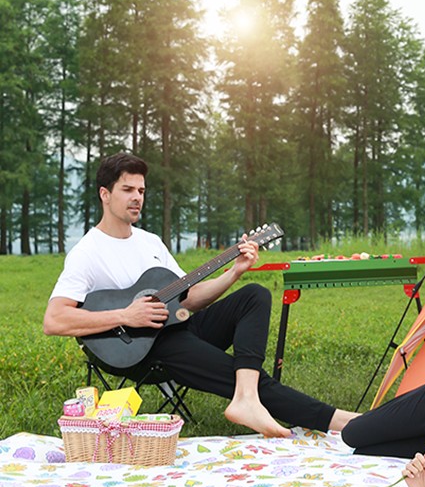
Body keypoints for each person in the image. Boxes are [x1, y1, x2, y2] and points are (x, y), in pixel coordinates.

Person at [43, 152, 358, 437]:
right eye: (128, 190)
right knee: (239, 374)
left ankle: (246, 396)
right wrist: (126, 315)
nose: (137, 197)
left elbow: (189, 299)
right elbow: (54, 320)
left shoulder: (150, 242)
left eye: (141, 190)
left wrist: (234, 272)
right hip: (141, 349)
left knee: (254, 294)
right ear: (105, 194)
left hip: (178, 326)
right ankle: (343, 422)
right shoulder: (88, 251)